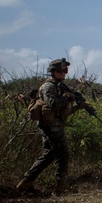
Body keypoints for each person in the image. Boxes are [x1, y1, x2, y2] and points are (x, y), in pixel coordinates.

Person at [16, 58, 89, 195]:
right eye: (59, 71)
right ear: (52, 72)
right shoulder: (48, 87)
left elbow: (64, 109)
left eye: (64, 71)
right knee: (63, 155)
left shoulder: (60, 86)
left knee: (49, 155)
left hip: (56, 125)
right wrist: (67, 97)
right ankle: (61, 187)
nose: (62, 73)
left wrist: (78, 102)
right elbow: (53, 104)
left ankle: (26, 182)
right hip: (51, 127)